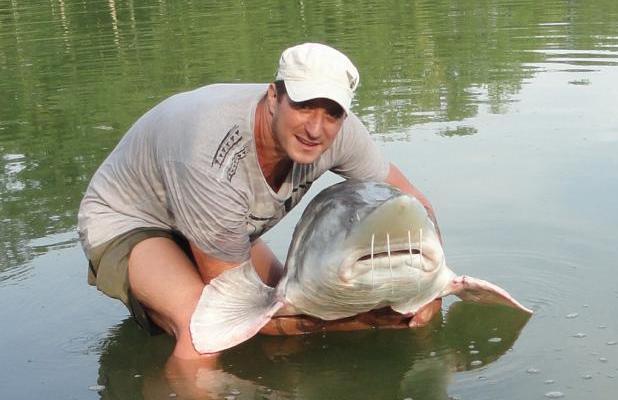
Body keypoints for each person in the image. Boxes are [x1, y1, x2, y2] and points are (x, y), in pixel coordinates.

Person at [78, 42, 443, 360]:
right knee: (205, 330)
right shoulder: (212, 157)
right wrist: (364, 321)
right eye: (303, 107)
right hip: (133, 218)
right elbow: (236, 302)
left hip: (213, 218)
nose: (316, 129)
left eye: (331, 113)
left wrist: (429, 285)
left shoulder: (342, 133)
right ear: (273, 97)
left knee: (288, 292)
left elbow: (415, 202)